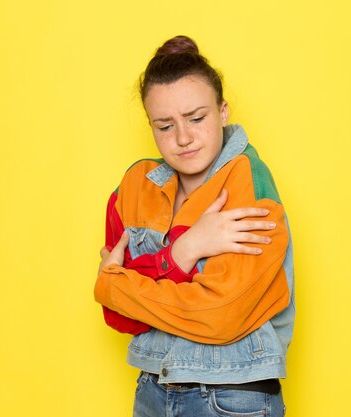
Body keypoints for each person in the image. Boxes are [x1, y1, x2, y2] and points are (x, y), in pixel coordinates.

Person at [94, 35, 295, 417]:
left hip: (233, 398)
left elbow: (219, 315)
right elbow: (115, 313)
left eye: (197, 118)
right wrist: (186, 250)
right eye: (164, 126)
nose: (183, 138)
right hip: (151, 390)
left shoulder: (250, 184)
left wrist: (120, 282)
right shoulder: (134, 187)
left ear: (223, 112)